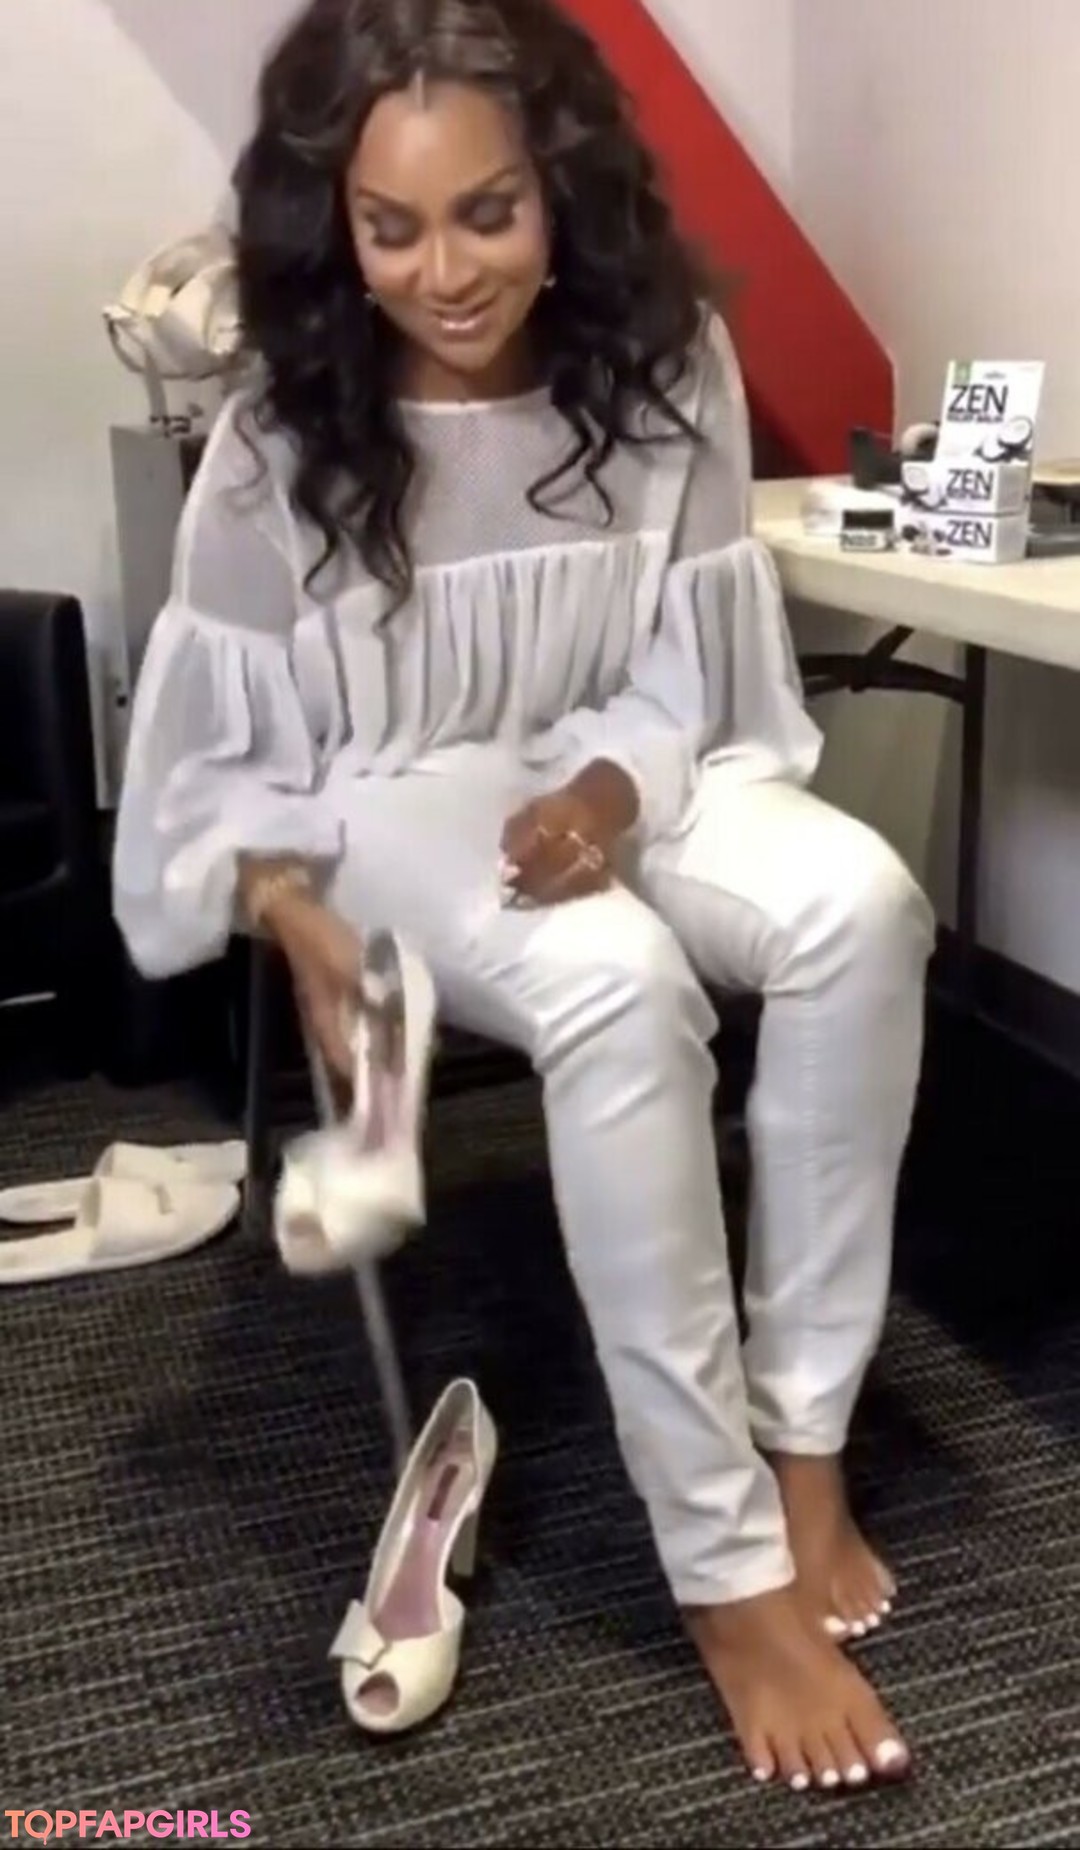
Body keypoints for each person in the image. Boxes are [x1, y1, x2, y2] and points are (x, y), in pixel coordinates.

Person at [113, 0, 934, 1792]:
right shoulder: (280, 432)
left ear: (559, 187)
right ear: (333, 223)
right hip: (388, 789)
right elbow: (219, 758)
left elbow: (690, 665)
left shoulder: (665, 363)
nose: (444, 272)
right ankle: (724, 1567)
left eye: (487, 212)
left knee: (864, 906)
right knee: (617, 982)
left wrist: (614, 788)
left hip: (617, 763)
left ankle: (805, 1441)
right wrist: (301, 924)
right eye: (390, 227)